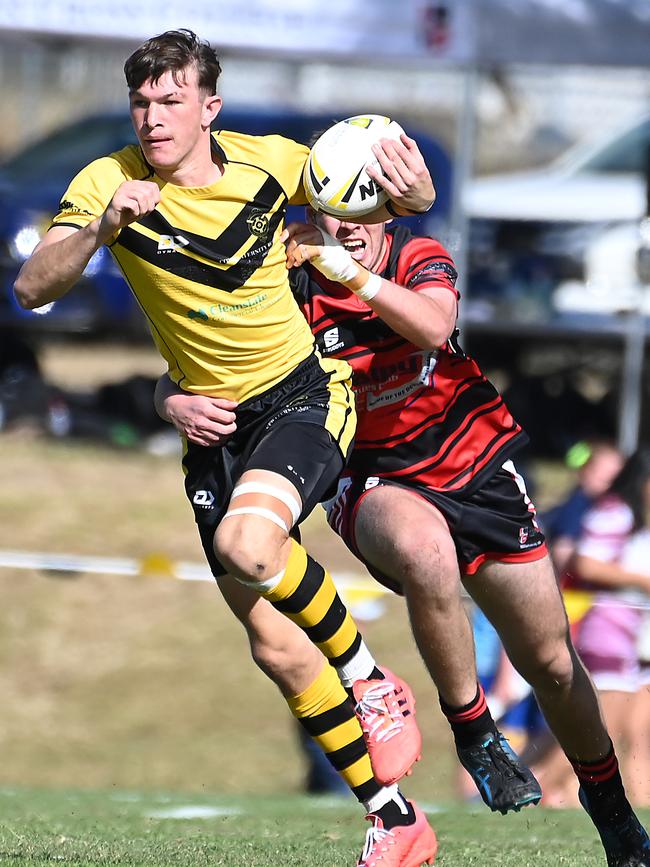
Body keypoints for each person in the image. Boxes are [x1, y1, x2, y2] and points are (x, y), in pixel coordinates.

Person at [13, 29, 440, 867]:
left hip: (302, 397)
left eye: (171, 100)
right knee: (275, 645)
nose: (153, 117)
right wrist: (99, 230)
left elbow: (373, 206)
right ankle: (395, 820)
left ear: (209, 107)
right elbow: (32, 288)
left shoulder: (272, 164)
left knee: (252, 545)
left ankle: (368, 676)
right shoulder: (108, 183)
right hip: (213, 430)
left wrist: (412, 193)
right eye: (141, 101)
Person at [159, 204, 650, 864]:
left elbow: (432, 324)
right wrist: (173, 398)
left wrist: (348, 270)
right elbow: (206, 359)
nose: (352, 227)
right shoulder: (292, 287)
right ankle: (473, 730)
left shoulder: (417, 255)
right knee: (425, 551)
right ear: (314, 216)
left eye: (365, 211)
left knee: (553, 665)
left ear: (386, 212)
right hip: (373, 480)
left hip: (475, 468)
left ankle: (614, 813)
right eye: (337, 215)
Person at [571, 450, 650, 808]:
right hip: (606, 633)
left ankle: (636, 807)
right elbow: (585, 563)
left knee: (627, 737)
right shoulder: (615, 511)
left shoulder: (634, 517)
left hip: (629, 638)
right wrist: (643, 582)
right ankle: (545, 796)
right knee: (599, 738)